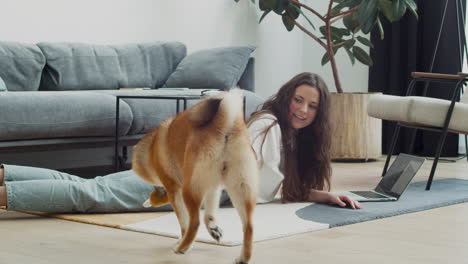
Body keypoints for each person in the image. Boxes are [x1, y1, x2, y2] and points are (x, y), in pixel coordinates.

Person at [0, 72, 361, 213]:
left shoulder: (289, 136)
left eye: (312, 106)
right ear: (286, 97)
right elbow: (263, 186)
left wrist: (322, 193)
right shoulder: (269, 125)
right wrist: (318, 194)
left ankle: (4, 174)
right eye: (298, 100)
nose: (302, 109)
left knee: (87, 187)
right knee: (92, 195)